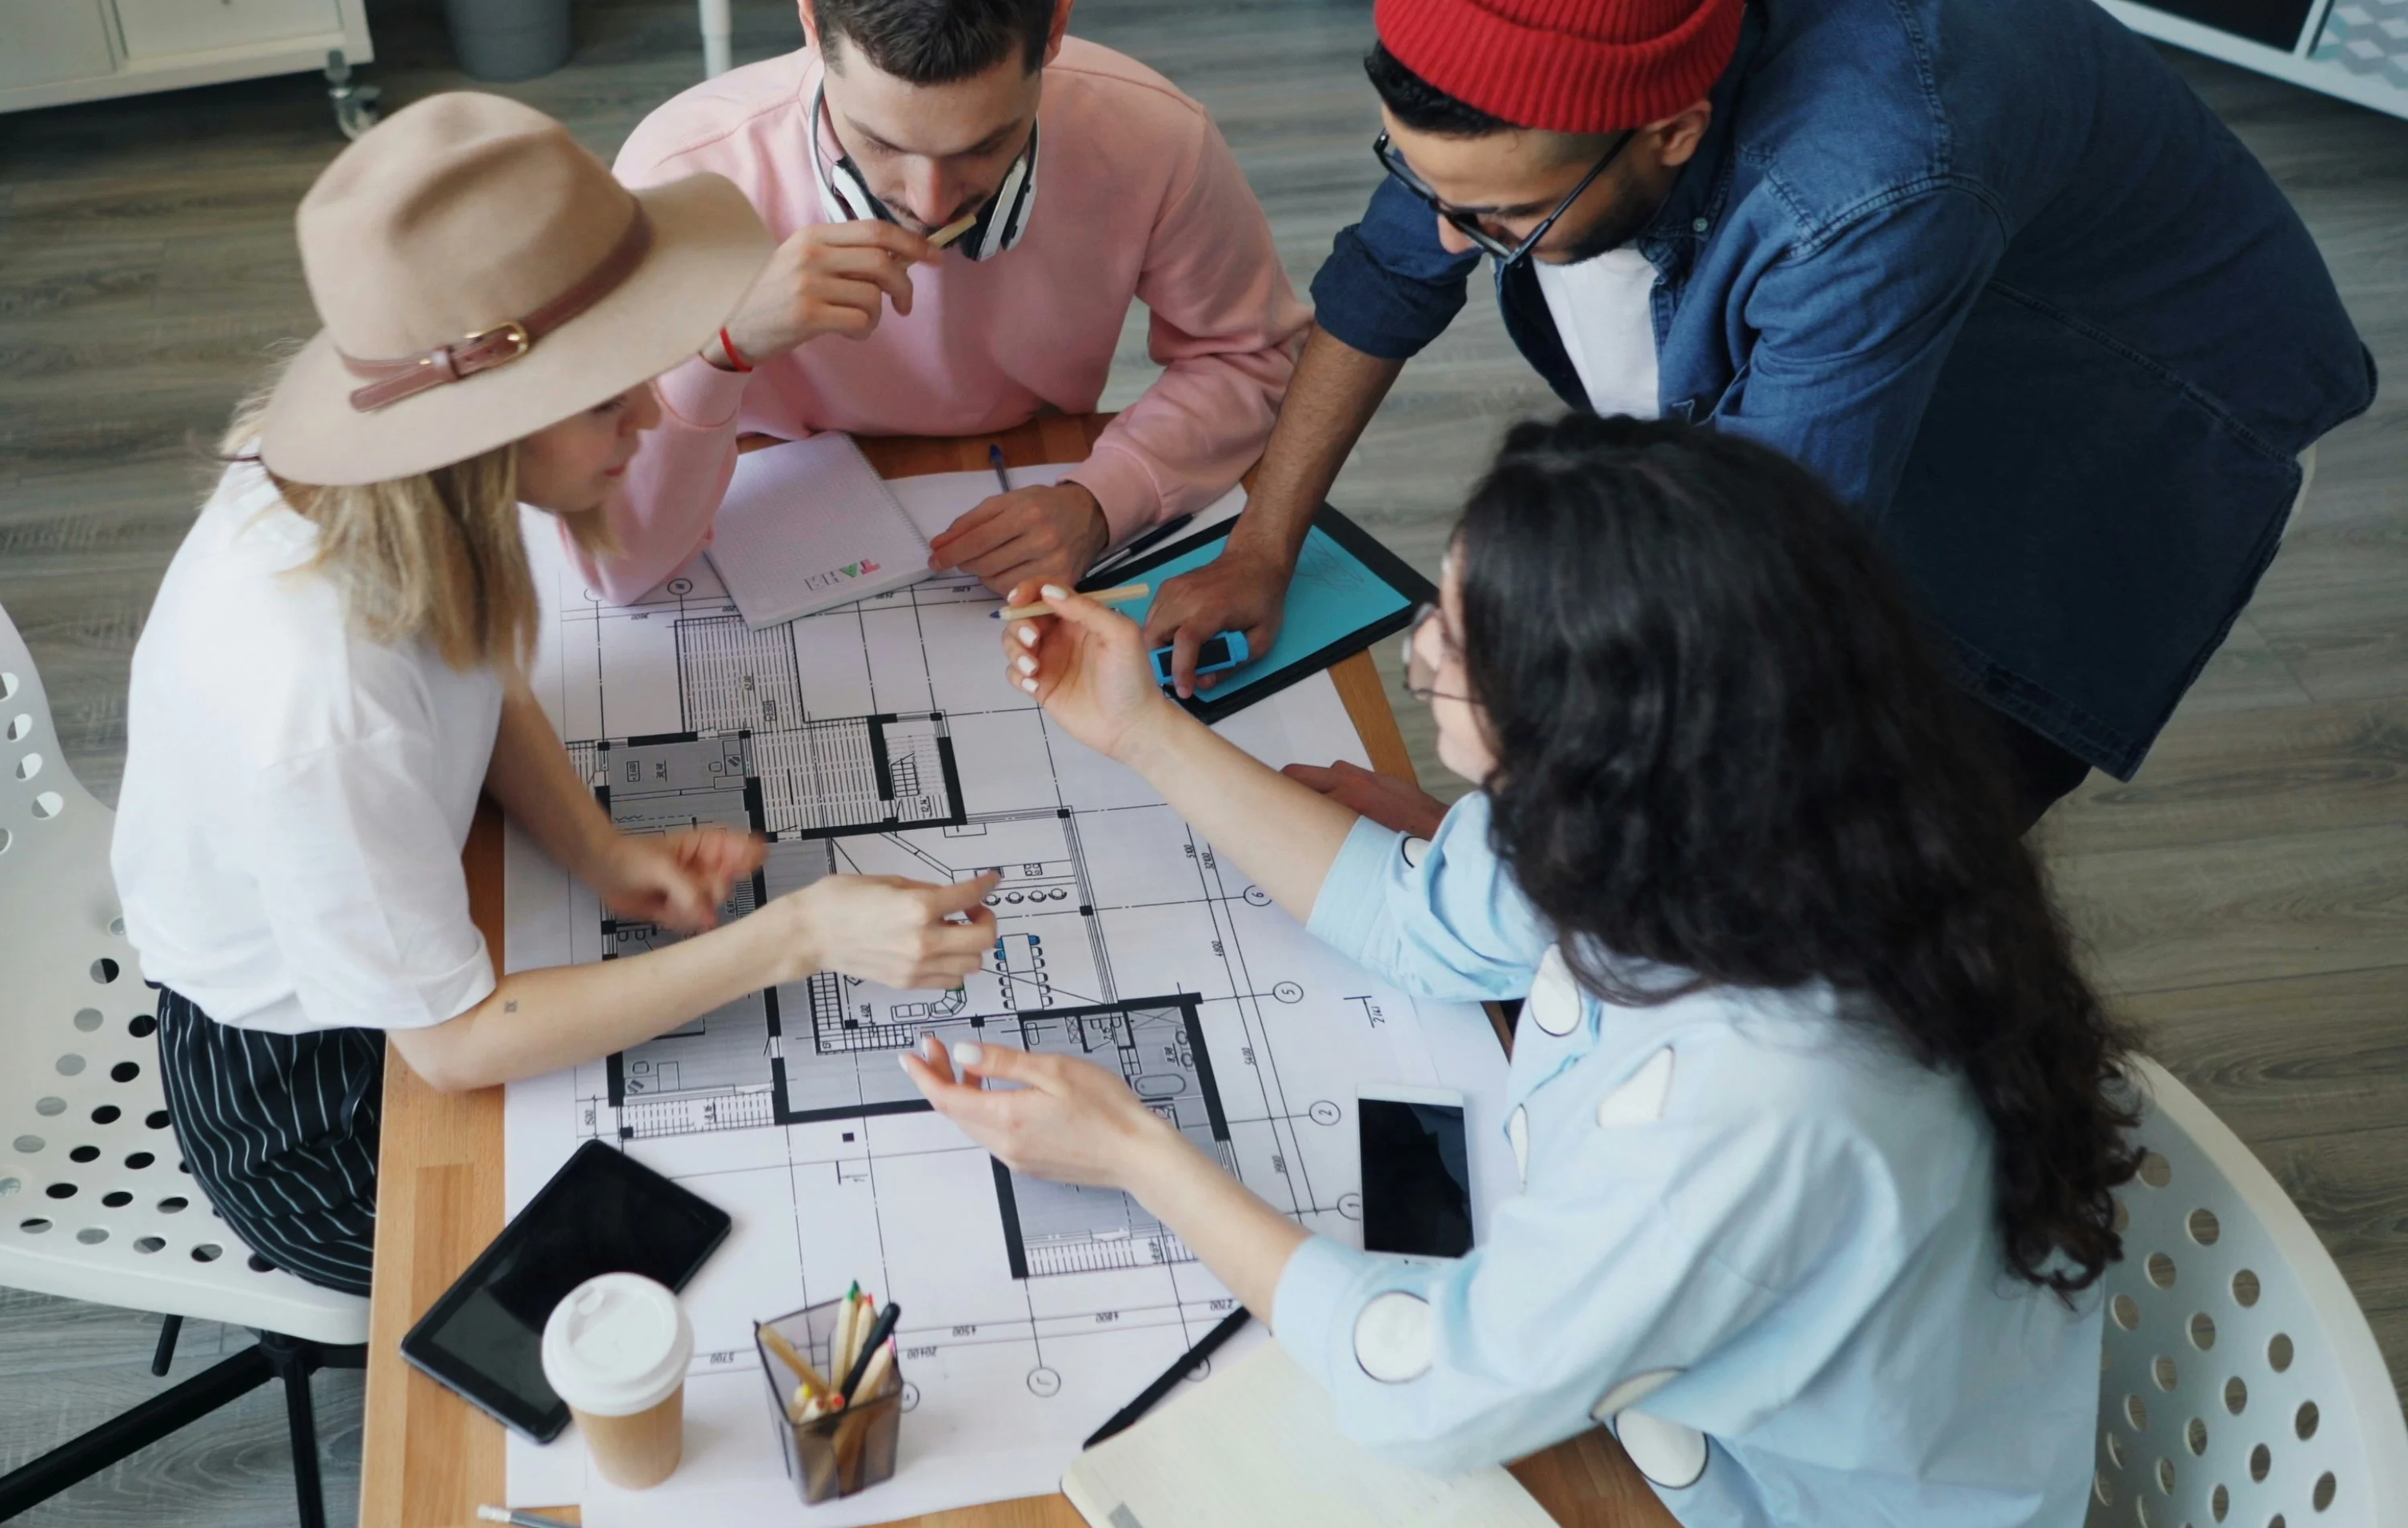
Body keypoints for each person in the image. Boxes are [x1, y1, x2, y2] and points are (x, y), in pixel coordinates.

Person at [912, 415, 2140, 1524]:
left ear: (1592, 719)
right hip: (1688, 1408)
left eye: (1461, 638)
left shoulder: (1773, 1099)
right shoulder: (1730, 798)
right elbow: (1421, 915)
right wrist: (1141, 727)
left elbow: (1437, 1386)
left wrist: (1135, 1152)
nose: (1421, 649)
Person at [1140, 0, 2375, 820]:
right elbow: (1386, 273)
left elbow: (1740, 570)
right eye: (1426, 184)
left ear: (1672, 126)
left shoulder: (1868, 189)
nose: (1452, 237)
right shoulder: (1571, 7)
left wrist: (1496, 835)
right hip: (1963, 252)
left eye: (1503, 216)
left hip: (2135, 386)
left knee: (1892, 824)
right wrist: (1260, 546)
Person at [110, 94, 1001, 1294]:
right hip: (317, 1102)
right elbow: (456, 1046)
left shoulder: (409, 501)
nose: (648, 414)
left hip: (400, 935)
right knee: (728, 1259)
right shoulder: (324, 704)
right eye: (604, 396)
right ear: (487, 427)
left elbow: (475, 675)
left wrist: (595, 848)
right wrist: (798, 935)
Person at [589, 0, 1311, 604]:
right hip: (756, 519)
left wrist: (1103, 501)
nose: (931, 204)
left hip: (1022, 481)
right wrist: (717, 352)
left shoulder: (1157, 139)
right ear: (811, 23)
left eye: (985, 144)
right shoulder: (676, 174)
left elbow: (1250, 360)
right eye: (881, 143)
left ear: (1056, 30)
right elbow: (618, 564)